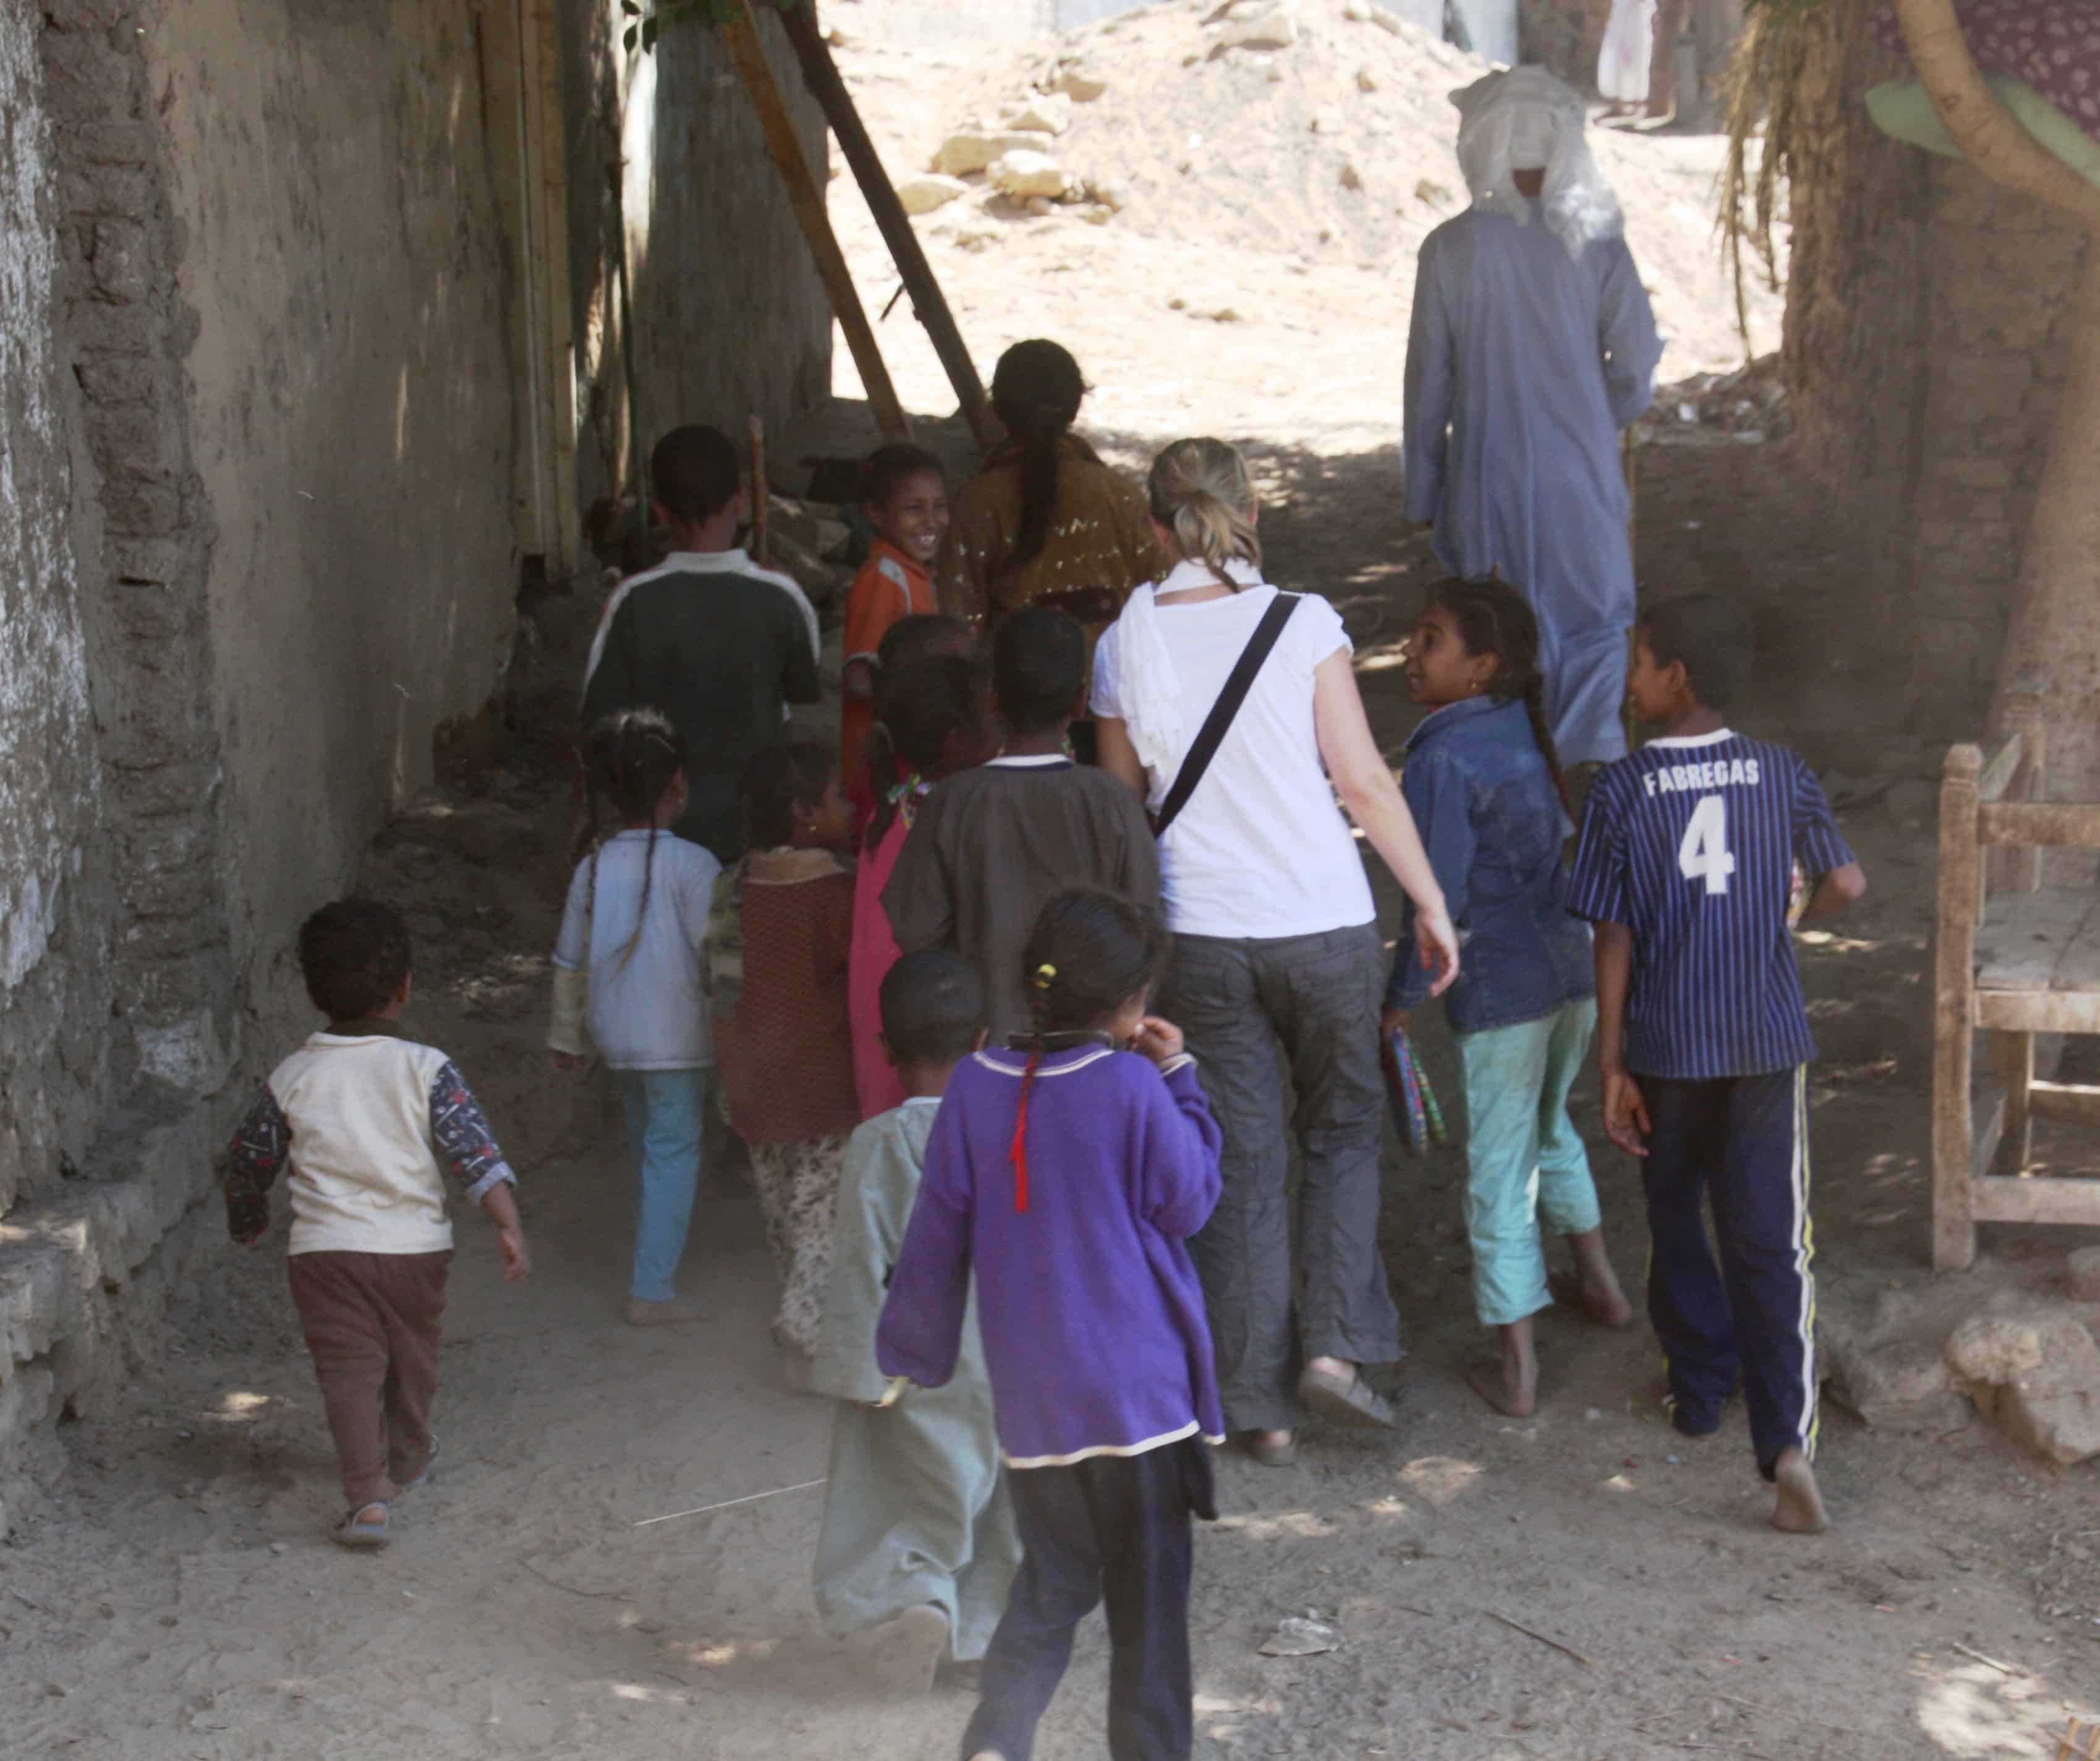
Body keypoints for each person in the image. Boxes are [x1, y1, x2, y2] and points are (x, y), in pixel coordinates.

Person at [1092, 437, 1460, 1467]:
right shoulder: (1304, 625)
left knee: (1240, 1154)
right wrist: (1426, 900)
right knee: (1341, 1131)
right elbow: (1362, 784)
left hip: (1200, 934)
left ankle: (1258, 1406)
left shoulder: (1121, 643)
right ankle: (1336, 1353)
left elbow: (1127, 812)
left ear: (1152, 528)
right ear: (1252, 515)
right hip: (1322, 922)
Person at [876, 892, 1223, 1761]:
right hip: (1139, 1402)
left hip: (1035, 1402)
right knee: (1148, 1607)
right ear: (1128, 1004)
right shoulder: (1135, 1084)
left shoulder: (972, 1086)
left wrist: (911, 1351)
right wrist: (1184, 1082)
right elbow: (1188, 1202)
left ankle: (997, 1740)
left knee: (1054, 1580)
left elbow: (936, 1231)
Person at [1565, 591, 1866, 1535]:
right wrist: (1784, 927)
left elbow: (1610, 933)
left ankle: (1697, 1391)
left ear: (1674, 676)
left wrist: (1610, 1063)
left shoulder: (1617, 792)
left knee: (1675, 1213)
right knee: (1773, 1236)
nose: (1627, 677)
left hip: (1666, 1042)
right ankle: (1785, 1445)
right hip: (1765, 1040)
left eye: (1638, 661)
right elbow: (1848, 881)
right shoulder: (1781, 772)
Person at [1381, 580, 1632, 1418]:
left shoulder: (1440, 758)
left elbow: (1435, 904)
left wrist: (1399, 998)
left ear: (1481, 666)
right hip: (1570, 974)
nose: (1410, 653)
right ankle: (1600, 1286)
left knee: (1496, 1167)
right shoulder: (1514, 730)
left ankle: (1517, 1370)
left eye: (1430, 639)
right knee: (1550, 1127)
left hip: (1498, 992)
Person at [224, 899, 530, 1550]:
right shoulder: (426, 1068)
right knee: (412, 1355)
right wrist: (507, 1222)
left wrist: (247, 1219)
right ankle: (411, 1456)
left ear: (312, 990)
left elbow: (249, 1158)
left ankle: (367, 1496)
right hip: (416, 1252)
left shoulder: (293, 1075)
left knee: (348, 1368)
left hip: (324, 1255)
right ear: (405, 987)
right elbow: (472, 1151)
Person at [1403, 67, 1664, 771]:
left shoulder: (1450, 249)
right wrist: (1593, 417)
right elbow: (1635, 364)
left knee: (1494, 625)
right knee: (1590, 622)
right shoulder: (1597, 241)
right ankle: (1591, 782)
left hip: (1484, 480)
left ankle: (1510, 778)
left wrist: (1424, 493)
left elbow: (1430, 382)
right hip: (1579, 480)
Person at [810, 950, 1020, 1694]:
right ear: (985, 1040)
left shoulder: (877, 1144)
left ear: (885, 1050)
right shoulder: (1021, 1135)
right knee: (1001, 1502)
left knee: (903, 1492)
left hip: (912, 1360)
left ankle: (916, 1598)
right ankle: (981, 1635)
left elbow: (860, 1259)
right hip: (1011, 1358)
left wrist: (854, 1371)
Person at [886, 607, 1161, 1039]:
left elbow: (914, 929)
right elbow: (1146, 921)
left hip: (986, 1046)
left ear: (993, 697)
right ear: (1080, 699)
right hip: (1092, 1049)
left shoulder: (952, 803)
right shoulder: (1112, 802)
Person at [547, 710, 720, 1326]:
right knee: (673, 1150)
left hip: (618, 1040)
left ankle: (653, 1258)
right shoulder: (697, 865)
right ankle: (652, 1287)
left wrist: (567, 1037)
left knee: (651, 1144)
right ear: (677, 784)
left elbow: (568, 960)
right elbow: (716, 953)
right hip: (678, 1039)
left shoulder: (591, 869)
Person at [581, 424, 822, 863]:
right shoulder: (783, 598)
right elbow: (801, 695)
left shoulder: (633, 601)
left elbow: (600, 722)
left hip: (659, 834)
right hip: (755, 833)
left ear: (657, 510)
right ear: (742, 500)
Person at [713, 741, 861, 1373]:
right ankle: (806, 1324)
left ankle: (800, 1328)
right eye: (839, 797)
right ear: (805, 812)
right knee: (823, 1214)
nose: (851, 807)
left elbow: (718, 985)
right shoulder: (836, 894)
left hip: (752, 1079)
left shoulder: (732, 886)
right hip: (822, 1081)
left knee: (781, 1216)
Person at [849, 654, 998, 1119]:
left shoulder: (890, 811)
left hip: (890, 1033)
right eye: (992, 719)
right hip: (934, 1038)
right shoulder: (961, 818)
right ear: (959, 740)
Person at [937, 339, 1164, 637]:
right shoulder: (1121, 496)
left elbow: (960, 622)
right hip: (1116, 678)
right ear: (1075, 407)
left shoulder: (977, 503)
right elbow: (1159, 599)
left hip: (1014, 680)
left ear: (998, 409)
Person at [843, 444, 950, 827]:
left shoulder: (913, 574)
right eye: (914, 509)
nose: (931, 521)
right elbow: (859, 679)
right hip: (881, 769)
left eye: (939, 506)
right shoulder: (886, 577)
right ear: (874, 513)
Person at [1597, 0, 1657, 113]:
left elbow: (1650, 8)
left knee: (1639, 65)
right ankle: (1620, 103)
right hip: (1620, 29)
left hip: (1638, 28)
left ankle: (1639, 103)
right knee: (1618, 65)